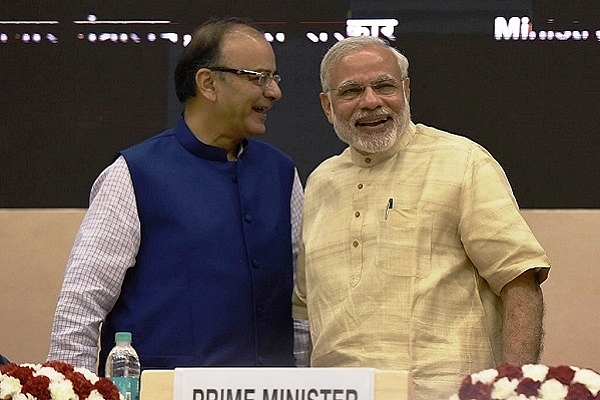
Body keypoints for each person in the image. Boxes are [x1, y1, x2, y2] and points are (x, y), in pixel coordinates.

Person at [292, 35, 551, 400]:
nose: (371, 102)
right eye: (351, 91)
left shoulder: (462, 161)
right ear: (327, 106)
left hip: (447, 393)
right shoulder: (318, 184)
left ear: (407, 91)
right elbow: (305, 312)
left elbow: (519, 280)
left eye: (384, 86)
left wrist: (514, 388)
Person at [48, 17, 305, 373]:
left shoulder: (282, 174)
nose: (274, 91)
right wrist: (70, 390)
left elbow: (301, 306)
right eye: (258, 77)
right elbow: (81, 304)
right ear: (208, 83)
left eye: (274, 77)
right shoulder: (134, 173)